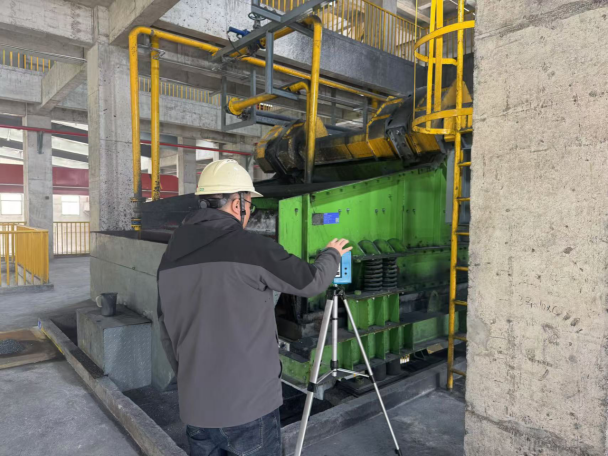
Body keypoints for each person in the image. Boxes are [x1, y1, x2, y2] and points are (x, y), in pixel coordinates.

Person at [157, 159, 352, 456]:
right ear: (238, 204)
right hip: (248, 409)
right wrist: (332, 254)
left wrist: (190, 380)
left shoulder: (171, 255)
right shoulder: (250, 247)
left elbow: (166, 330)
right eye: (250, 203)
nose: (249, 211)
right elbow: (311, 281)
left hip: (196, 408)